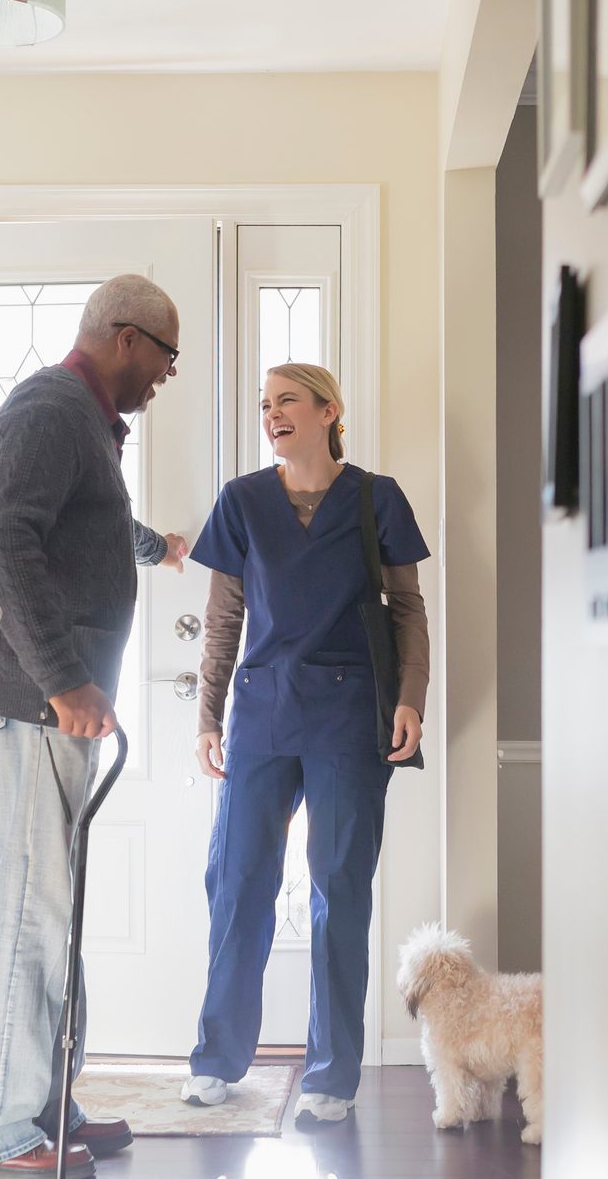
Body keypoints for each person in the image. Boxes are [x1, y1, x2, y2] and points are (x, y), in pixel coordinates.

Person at [0, 274, 190, 1179]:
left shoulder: (80, 424)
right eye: (165, 358)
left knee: (57, 907)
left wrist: (154, 546)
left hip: (42, 697)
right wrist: (64, 682)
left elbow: (81, 526)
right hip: (27, 698)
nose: (166, 377)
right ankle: (13, 1130)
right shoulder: (52, 410)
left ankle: (49, 1101)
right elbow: (2, 541)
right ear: (127, 340)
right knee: (30, 908)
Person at [179, 362, 430, 1123]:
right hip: (260, 713)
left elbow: (407, 610)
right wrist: (208, 716)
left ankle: (330, 1077)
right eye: (264, 404)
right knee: (237, 885)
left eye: (286, 400)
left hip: (350, 717)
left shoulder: (374, 497)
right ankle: (218, 1059)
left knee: (338, 889)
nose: (271, 413)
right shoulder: (241, 501)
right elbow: (224, 619)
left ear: (329, 411)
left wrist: (411, 700)